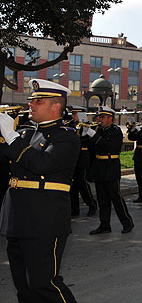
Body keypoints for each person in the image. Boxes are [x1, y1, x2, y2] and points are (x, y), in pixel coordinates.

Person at [0, 79, 79, 302]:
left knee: (45, 285)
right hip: (17, 218)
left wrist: (10, 135)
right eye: (31, 100)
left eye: (38, 101)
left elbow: (41, 165)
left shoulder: (67, 137)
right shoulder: (24, 135)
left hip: (45, 219)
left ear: (56, 106)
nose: (31, 105)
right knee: (24, 287)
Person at [86, 106, 134, 234]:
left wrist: (94, 136)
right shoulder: (98, 130)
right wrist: (86, 133)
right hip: (99, 166)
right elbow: (91, 147)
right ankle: (104, 224)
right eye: (99, 117)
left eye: (102, 117)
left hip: (111, 166)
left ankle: (127, 222)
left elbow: (110, 147)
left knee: (115, 197)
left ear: (110, 119)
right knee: (102, 199)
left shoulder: (116, 131)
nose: (99, 119)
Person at [67, 106, 97, 216]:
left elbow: (90, 143)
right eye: (73, 114)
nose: (73, 116)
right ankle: (74, 209)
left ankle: (91, 204)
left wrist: (85, 132)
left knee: (81, 183)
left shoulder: (89, 126)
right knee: (72, 184)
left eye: (75, 115)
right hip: (71, 157)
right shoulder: (69, 124)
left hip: (82, 156)